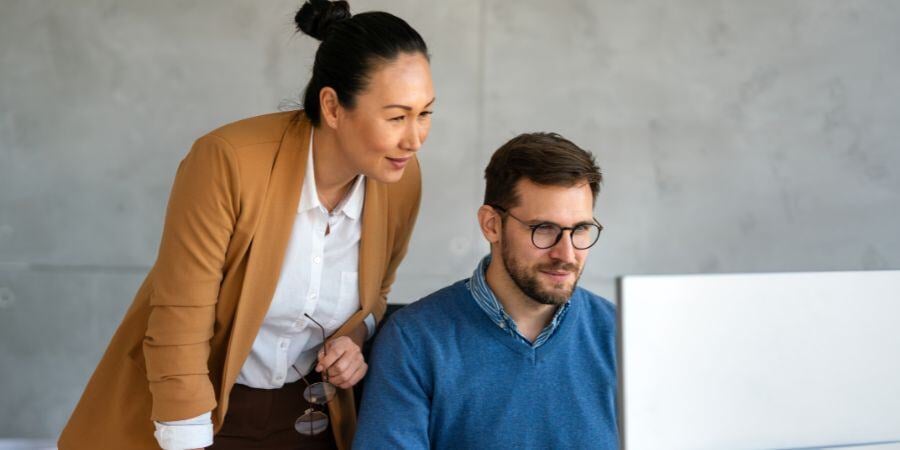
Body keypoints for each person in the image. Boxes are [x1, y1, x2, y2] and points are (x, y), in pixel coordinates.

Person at [58, 1, 434, 449]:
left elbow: (377, 294)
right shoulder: (228, 162)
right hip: (204, 418)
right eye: (396, 117)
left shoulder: (399, 179)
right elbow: (181, 316)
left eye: (425, 113)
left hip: (314, 420)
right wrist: (186, 439)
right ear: (332, 106)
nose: (414, 139)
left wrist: (354, 337)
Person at [353, 132, 618, 449]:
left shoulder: (621, 335)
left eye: (580, 230)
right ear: (491, 224)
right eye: (544, 229)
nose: (567, 254)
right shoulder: (413, 340)